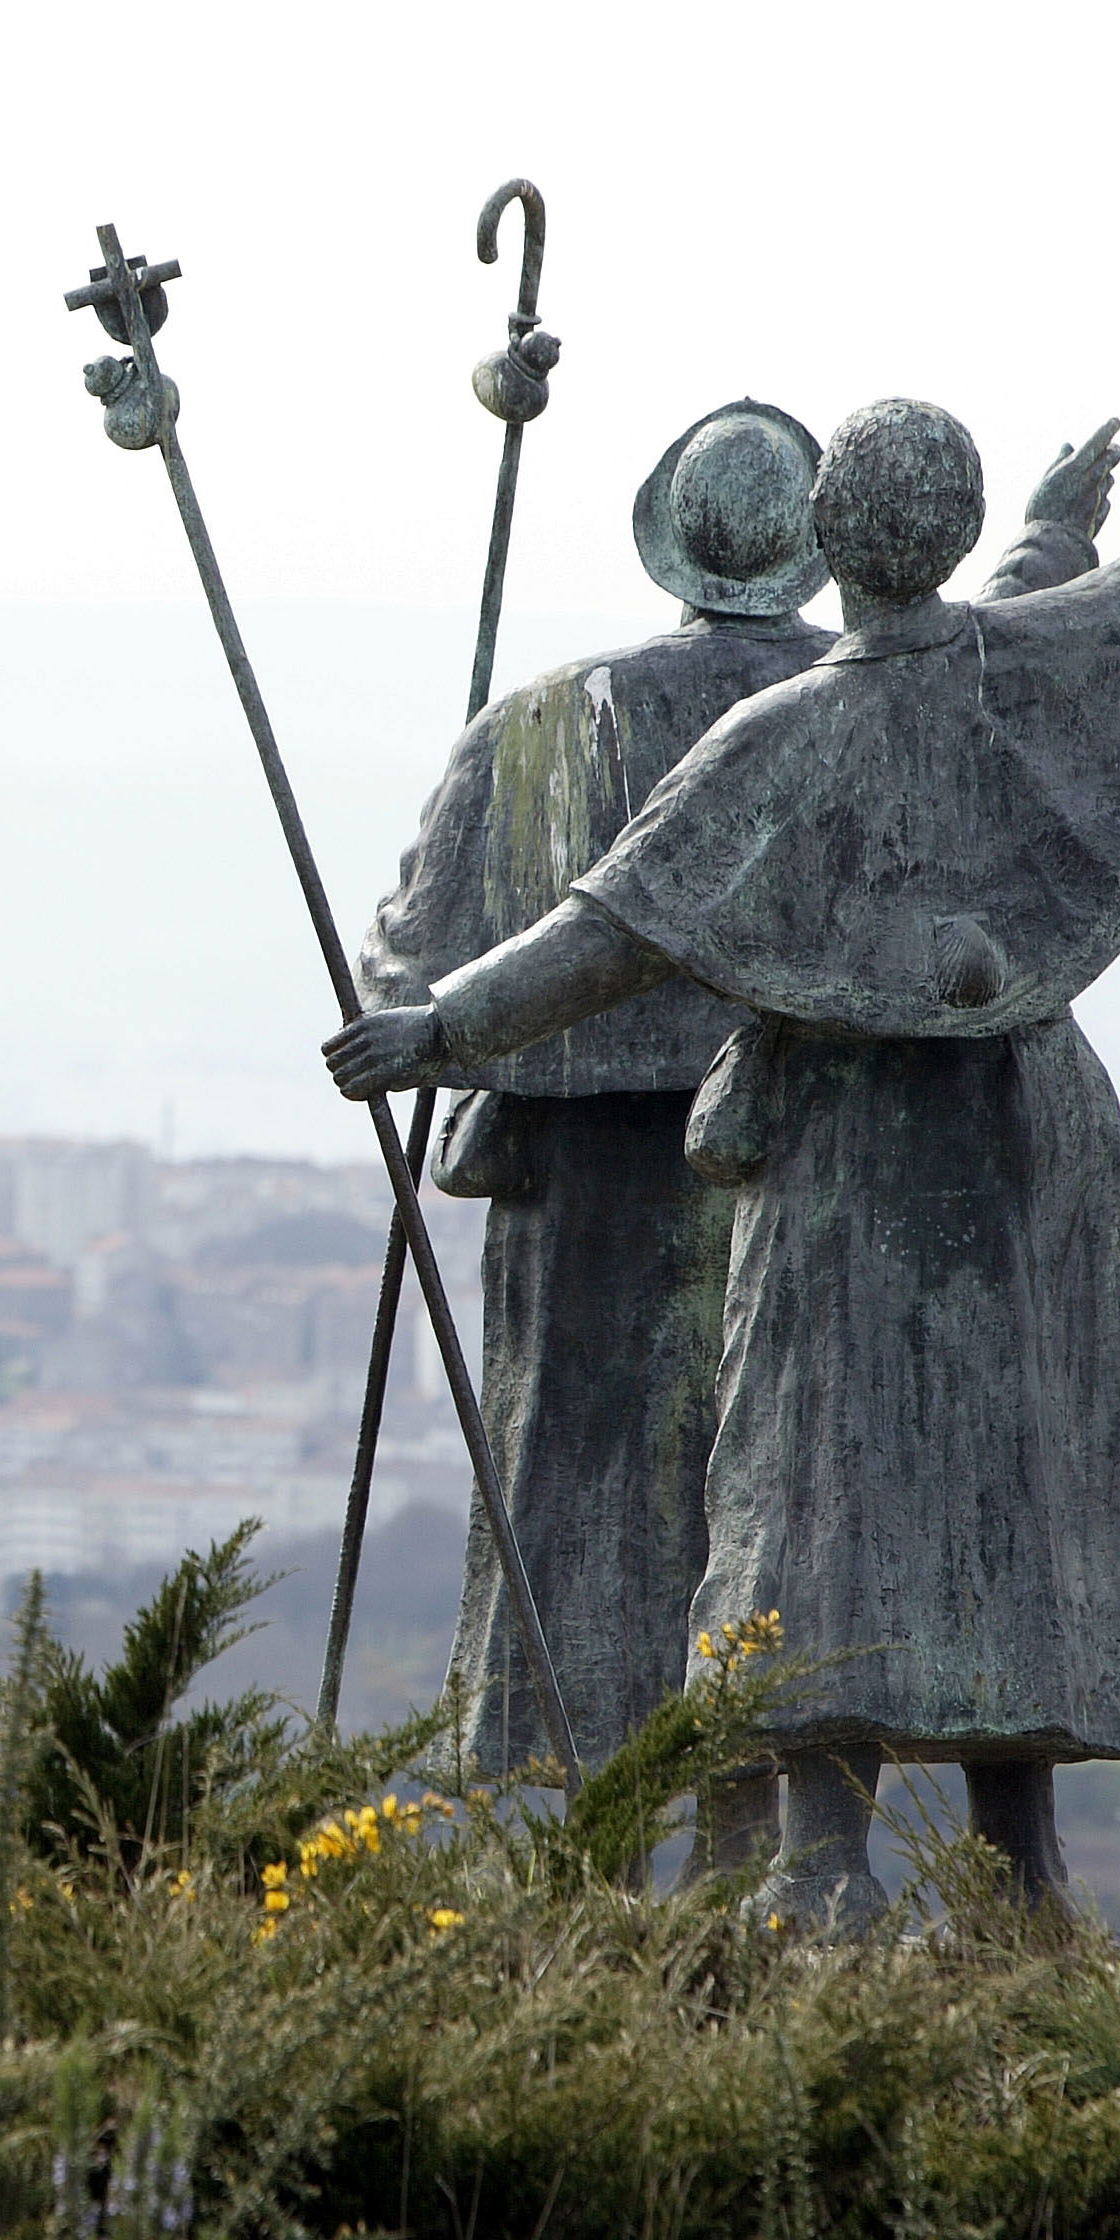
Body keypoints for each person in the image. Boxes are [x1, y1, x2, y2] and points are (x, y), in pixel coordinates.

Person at [329, 295, 1120, 1925]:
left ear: (826, 546)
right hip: (1032, 1127)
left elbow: (601, 937)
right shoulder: (1047, 653)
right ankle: (1017, 1864)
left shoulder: (788, 734)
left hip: (861, 1146)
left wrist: (435, 1023)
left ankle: (820, 1864)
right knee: (1019, 1479)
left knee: (818, 1475)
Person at [361, 401, 835, 1830]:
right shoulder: (858, 713)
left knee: (573, 1504)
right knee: (772, 1500)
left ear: (674, 543)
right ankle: (760, 1845)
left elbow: (420, 960)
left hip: (584, 1197)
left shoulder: (544, 722)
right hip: (800, 1163)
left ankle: (588, 1844)